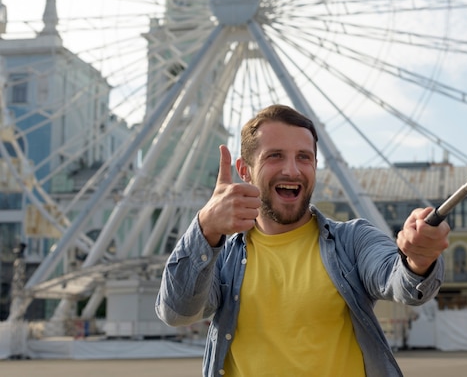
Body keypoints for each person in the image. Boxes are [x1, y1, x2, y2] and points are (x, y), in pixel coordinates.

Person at [156, 104, 450, 377]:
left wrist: (419, 259)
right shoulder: (221, 257)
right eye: (275, 156)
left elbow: (401, 282)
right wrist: (205, 227)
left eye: (304, 157)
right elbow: (177, 312)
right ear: (244, 170)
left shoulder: (353, 241)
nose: (292, 170)